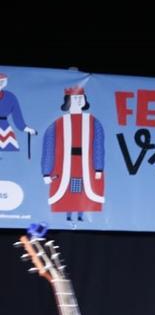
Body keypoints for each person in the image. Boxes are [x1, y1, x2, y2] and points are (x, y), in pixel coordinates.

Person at [41, 86, 105, 222]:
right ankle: (68, 216)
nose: (78, 101)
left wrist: (98, 168)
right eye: (75, 98)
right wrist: (46, 172)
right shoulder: (57, 123)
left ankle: (81, 216)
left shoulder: (94, 122)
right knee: (67, 192)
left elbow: (98, 145)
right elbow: (49, 147)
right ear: (68, 101)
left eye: (80, 98)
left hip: (87, 167)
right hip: (63, 166)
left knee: (83, 192)